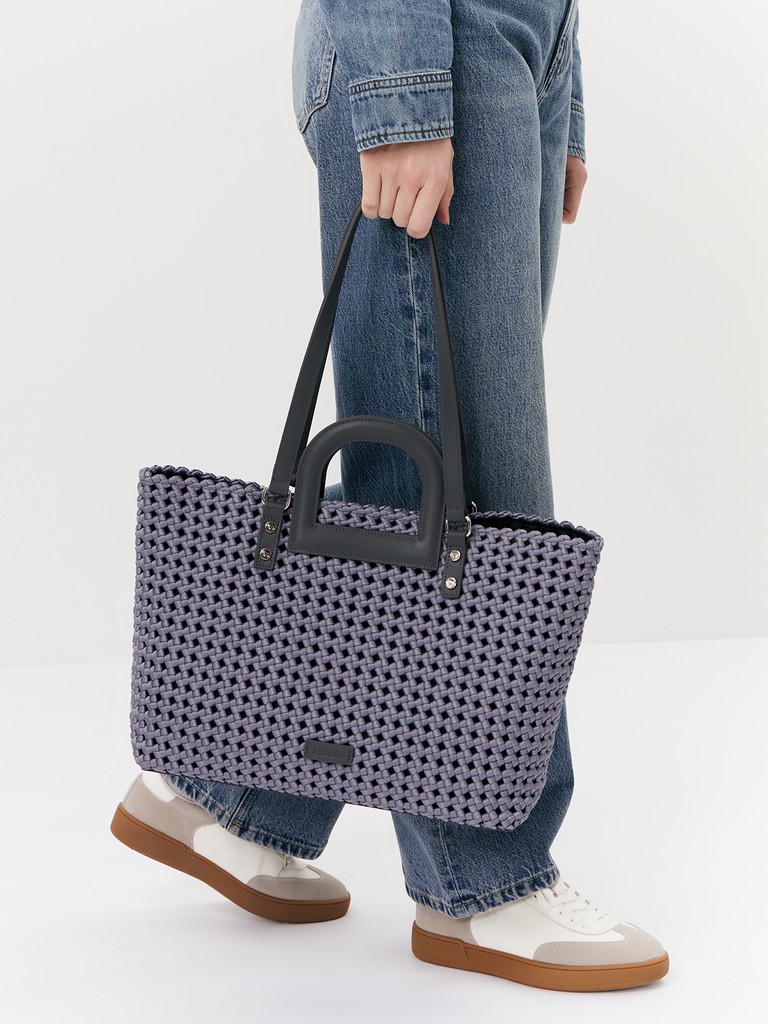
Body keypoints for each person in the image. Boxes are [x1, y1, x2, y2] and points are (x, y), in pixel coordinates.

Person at [112, 0, 669, 992]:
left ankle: (234, 795)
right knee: (471, 483)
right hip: (429, 36)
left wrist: (562, 90)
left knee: (431, 477)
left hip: (513, 44)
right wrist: (400, 90)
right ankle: (481, 877)